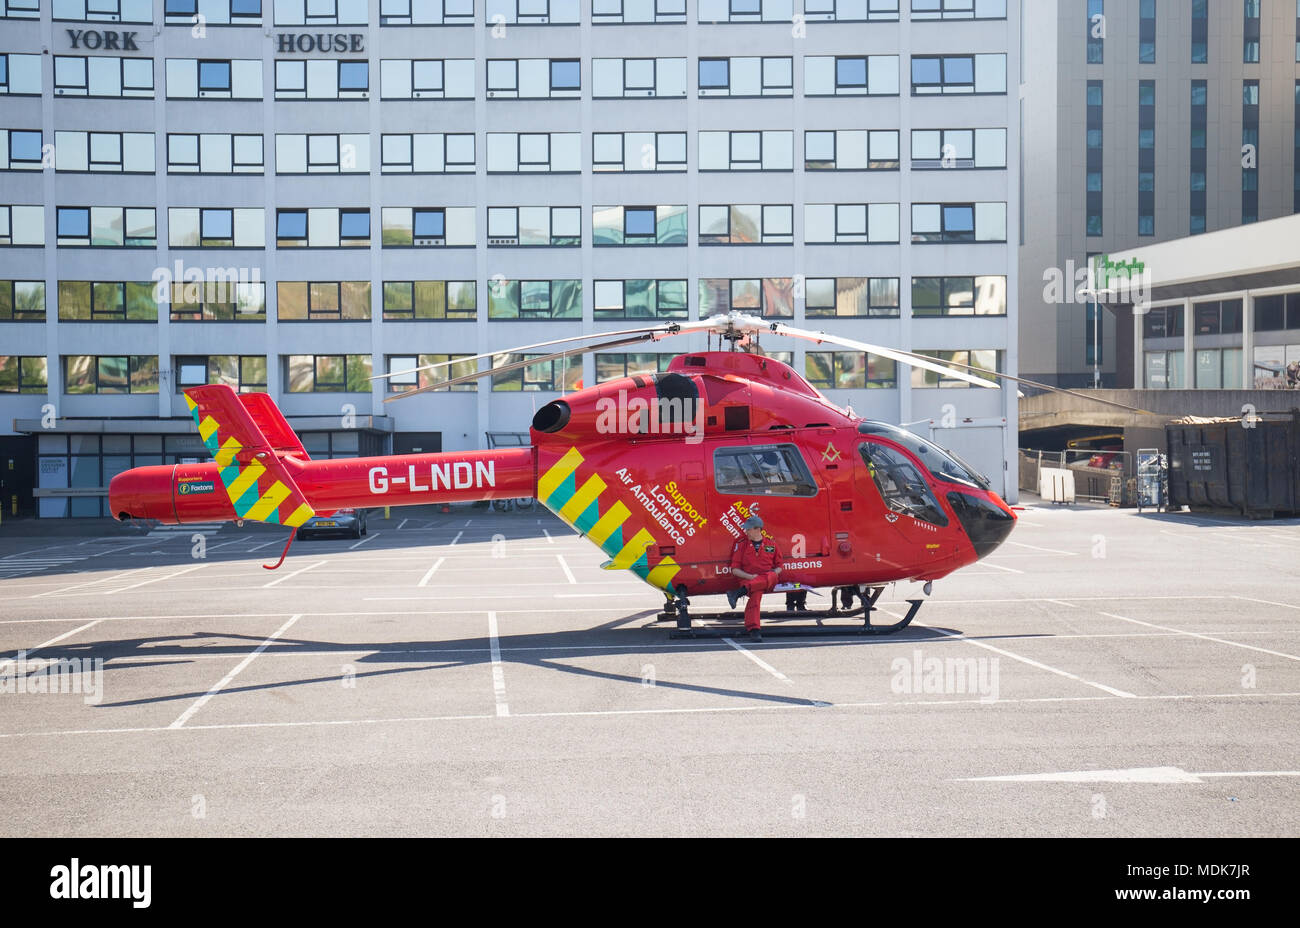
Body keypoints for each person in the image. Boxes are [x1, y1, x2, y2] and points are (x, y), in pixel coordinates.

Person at [725, 515, 783, 641]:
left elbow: (779, 566)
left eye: (748, 529)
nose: (746, 532)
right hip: (748, 579)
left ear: (758, 529)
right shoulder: (741, 545)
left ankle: (738, 593)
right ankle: (754, 629)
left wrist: (774, 573)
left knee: (772, 575)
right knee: (756, 595)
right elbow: (735, 570)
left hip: (769, 579)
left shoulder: (771, 544)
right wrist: (750, 577)